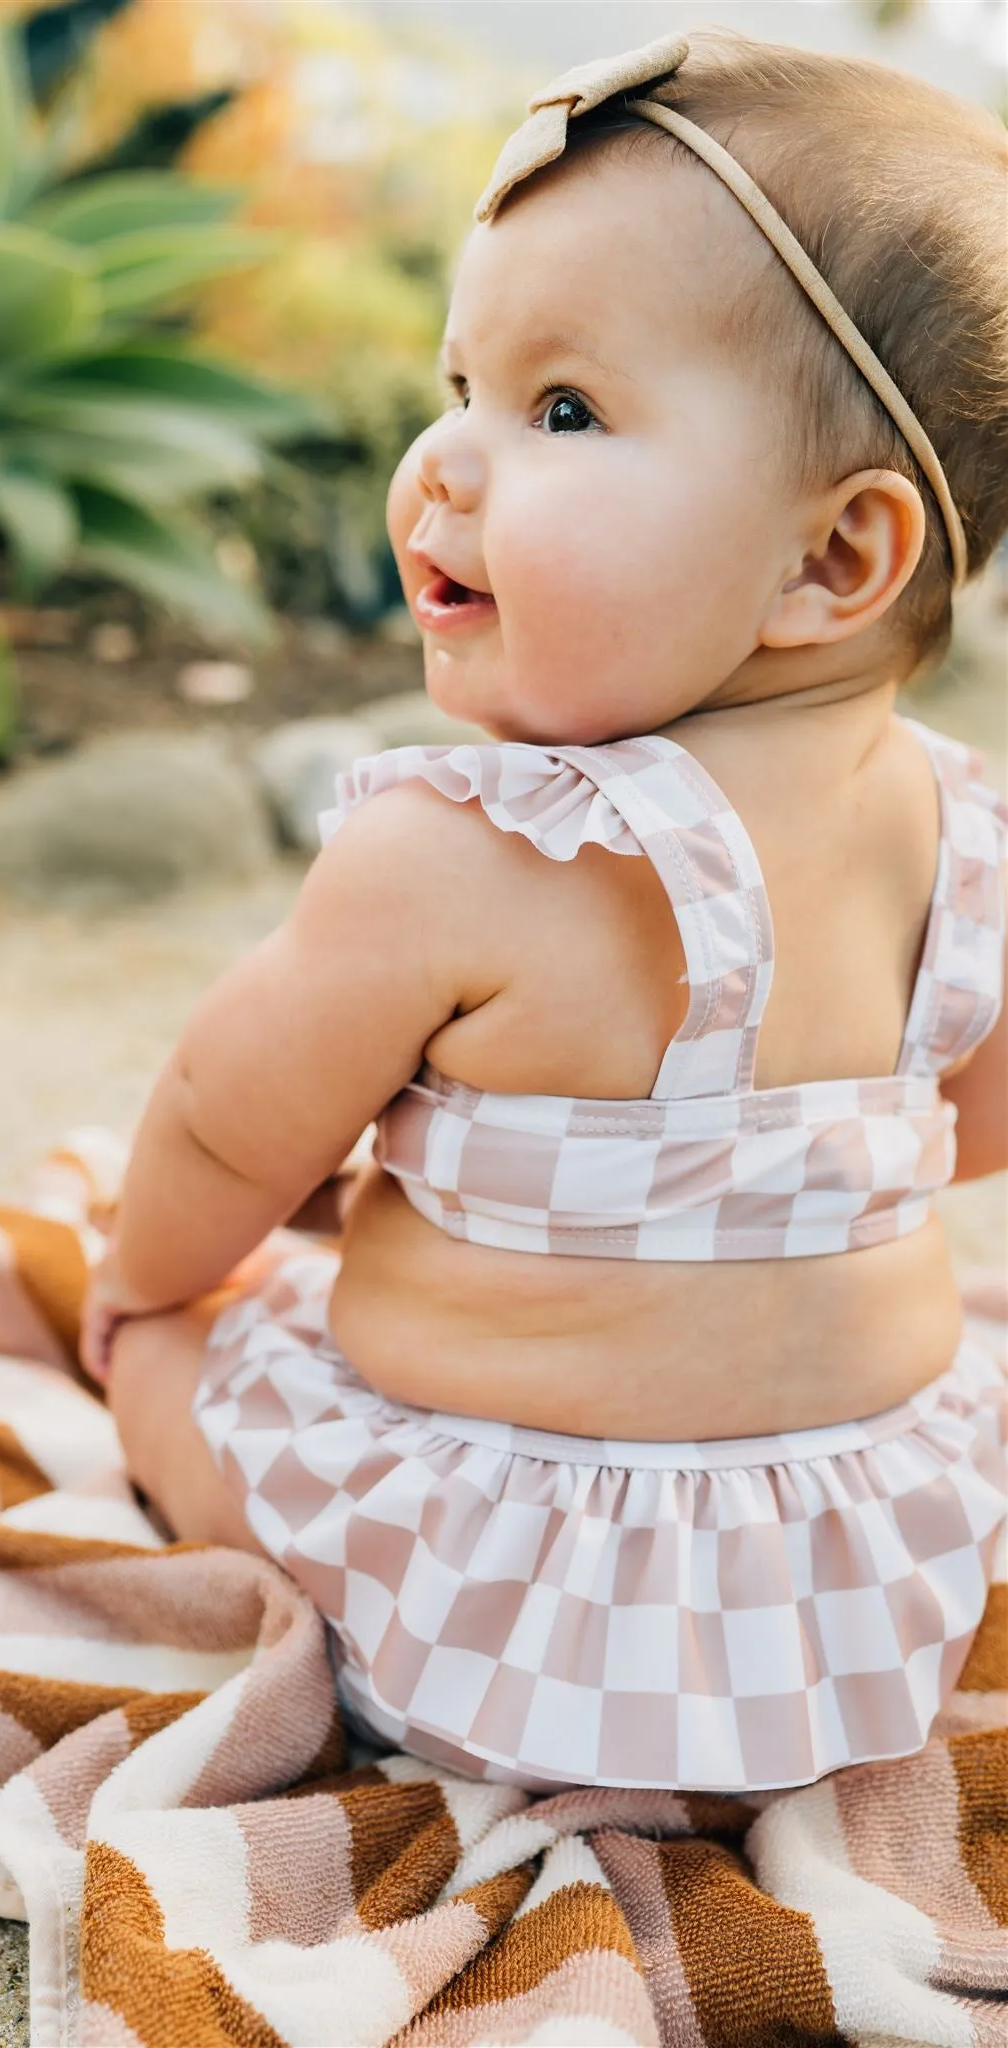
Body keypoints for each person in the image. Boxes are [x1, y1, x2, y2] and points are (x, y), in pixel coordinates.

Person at [84, 30, 1008, 1793]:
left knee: (195, 1350)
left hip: (486, 1611)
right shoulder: (961, 838)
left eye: (562, 409)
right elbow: (977, 1123)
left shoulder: (466, 847)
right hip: (854, 1593)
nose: (446, 462)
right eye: (462, 384)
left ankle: (157, 1398)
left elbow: (224, 1121)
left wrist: (145, 1285)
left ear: (833, 560)